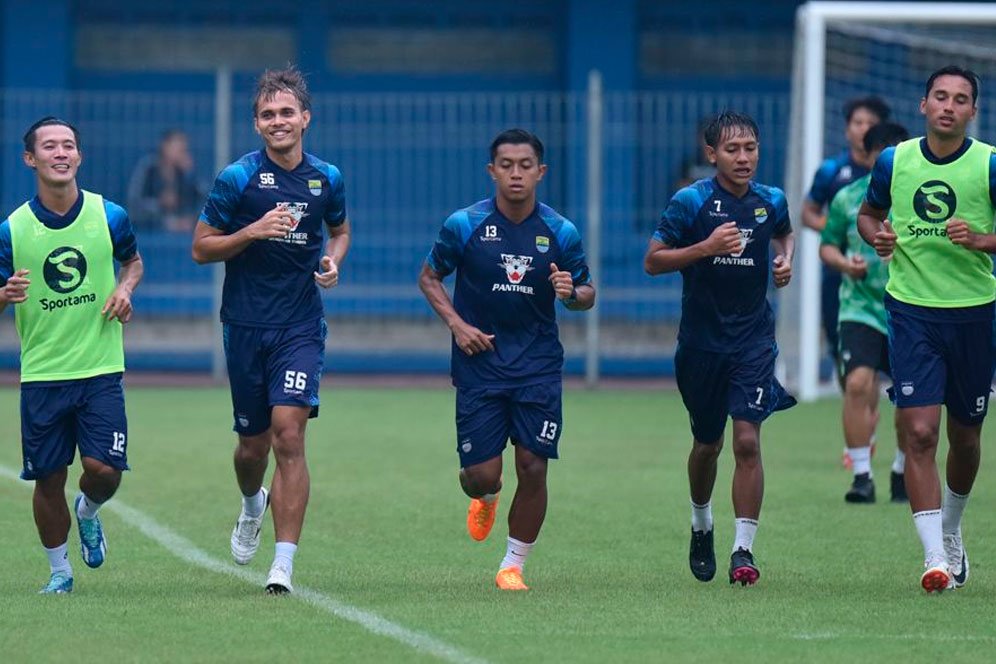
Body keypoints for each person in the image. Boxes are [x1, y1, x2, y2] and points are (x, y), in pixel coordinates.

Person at [192, 66, 350, 594]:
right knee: (251, 449)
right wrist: (253, 230)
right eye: (267, 114)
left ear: (306, 118)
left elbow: (341, 229)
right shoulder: (236, 178)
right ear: (256, 125)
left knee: (289, 434)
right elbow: (201, 247)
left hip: (300, 325)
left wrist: (333, 261)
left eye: (287, 112)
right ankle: (250, 503)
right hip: (244, 325)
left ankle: (282, 563)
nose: (278, 121)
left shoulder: (326, 177)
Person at [418, 128, 595, 591]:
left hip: (538, 364)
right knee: (480, 475)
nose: (516, 174)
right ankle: (487, 496)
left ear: (541, 172)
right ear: (492, 171)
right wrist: (457, 325)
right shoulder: (465, 224)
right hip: (481, 362)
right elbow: (430, 277)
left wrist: (571, 294)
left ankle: (512, 564)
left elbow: (587, 291)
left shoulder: (560, 231)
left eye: (525, 166)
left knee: (534, 465)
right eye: (506, 165)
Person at [858, 65, 996, 593]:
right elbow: (869, 215)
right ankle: (934, 557)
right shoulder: (895, 160)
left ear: (972, 112)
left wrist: (982, 240)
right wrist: (879, 237)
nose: (948, 106)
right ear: (922, 104)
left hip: (974, 314)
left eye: (960, 99)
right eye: (940, 96)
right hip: (911, 311)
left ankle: (953, 528)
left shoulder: (987, 165)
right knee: (919, 432)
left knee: (966, 436)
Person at [643, 111, 796, 587]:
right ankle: (701, 522)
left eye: (750, 147)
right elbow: (653, 260)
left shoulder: (770, 200)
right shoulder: (690, 202)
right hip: (701, 347)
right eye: (732, 149)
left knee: (747, 440)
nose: (744, 157)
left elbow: (785, 233)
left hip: (753, 341)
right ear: (711, 154)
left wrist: (784, 259)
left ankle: (743, 550)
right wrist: (704, 248)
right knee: (707, 445)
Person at [0, 116, 144, 594]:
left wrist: (125, 289)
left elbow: (133, 262)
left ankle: (89, 511)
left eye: (68, 146)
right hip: (42, 374)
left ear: (79, 157)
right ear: (30, 159)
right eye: (49, 146)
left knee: (103, 471)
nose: (60, 153)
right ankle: (60, 572)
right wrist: (5, 294)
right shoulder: (12, 229)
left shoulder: (110, 216)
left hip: (100, 368)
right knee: (47, 479)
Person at [820, 122, 910, 504]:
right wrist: (845, 263)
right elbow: (827, 246)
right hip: (860, 308)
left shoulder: (920, 200)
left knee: (912, 397)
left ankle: (904, 469)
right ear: (868, 157)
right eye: (883, 156)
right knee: (857, 383)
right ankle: (861, 475)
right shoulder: (847, 199)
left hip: (910, 306)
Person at [803, 96, 891, 403]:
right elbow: (807, 213)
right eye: (857, 122)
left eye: (871, 123)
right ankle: (861, 422)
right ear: (846, 130)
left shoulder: (898, 170)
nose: (863, 128)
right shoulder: (832, 171)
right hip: (841, 272)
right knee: (847, 362)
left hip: (889, 277)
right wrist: (843, 228)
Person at [127, 129, 204, 232]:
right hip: (150, 230)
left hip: (182, 232)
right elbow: (135, 203)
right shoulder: (148, 169)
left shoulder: (185, 174)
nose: (182, 152)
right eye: (178, 148)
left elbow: (202, 200)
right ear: (165, 147)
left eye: (184, 149)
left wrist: (189, 174)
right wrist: (160, 203)